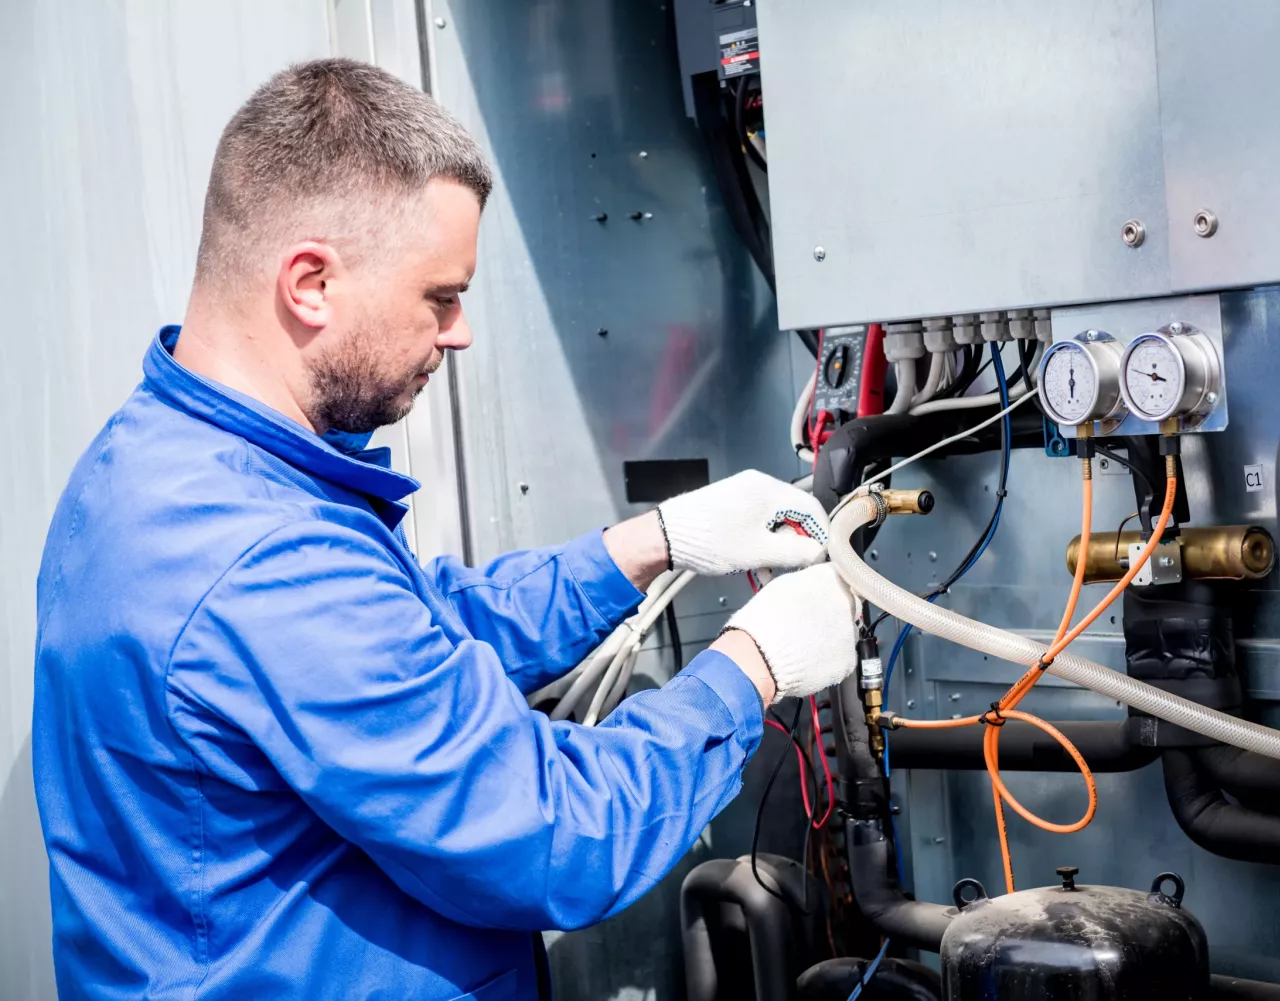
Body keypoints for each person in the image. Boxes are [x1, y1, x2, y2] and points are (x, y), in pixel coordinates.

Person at [32, 59, 859, 1001]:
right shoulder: (259, 558)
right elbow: (558, 835)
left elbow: (410, 632)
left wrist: (651, 541)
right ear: (310, 282)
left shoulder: (160, 461)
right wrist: (753, 667)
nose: (459, 331)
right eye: (440, 296)